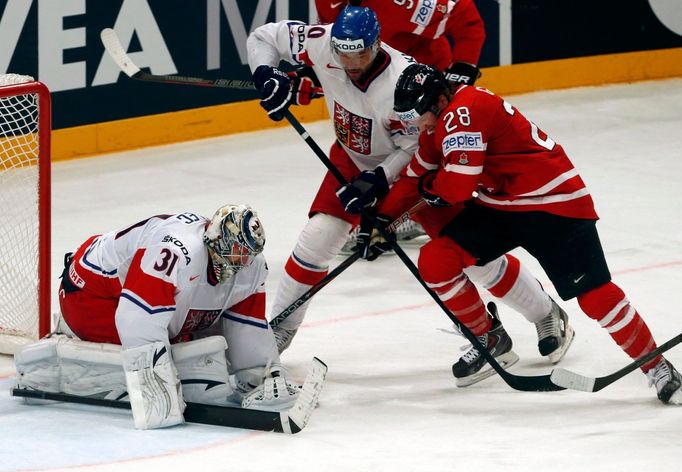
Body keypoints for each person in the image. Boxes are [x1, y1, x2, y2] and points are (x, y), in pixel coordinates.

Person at [246, 5, 574, 383]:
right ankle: (282, 329)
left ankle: (545, 313)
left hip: (412, 172)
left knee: (469, 255)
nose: (352, 64)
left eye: (361, 54)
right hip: (353, 159)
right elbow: (263, 38)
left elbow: (420, 147)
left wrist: (381, 181)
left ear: (376, 43)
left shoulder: (401, 79)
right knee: (316, 239)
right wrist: (267, 72)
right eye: (344, 54)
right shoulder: (322, 42)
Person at [363, 63, 681, 403]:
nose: (419, 124)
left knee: (595, 296)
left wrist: (428, 188)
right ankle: (488, 338)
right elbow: (416, 176)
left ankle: (656, 365)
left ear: (440, 99)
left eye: (421, 114)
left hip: (555, 204)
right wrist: (383, 218)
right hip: (502, 206)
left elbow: (454, 188)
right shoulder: (439, 121)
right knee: (437, 259)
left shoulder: (463, 112)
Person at [14, 204, 304, 429]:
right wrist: (154, 388)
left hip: (134, 295)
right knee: (184, 357)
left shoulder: (250, 267)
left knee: (206, 348)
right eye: (235, 250)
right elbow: (136, 318)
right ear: (215, 236)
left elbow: (246, 325)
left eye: (247, 254)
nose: (240, 261)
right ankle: (73, 354)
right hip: (89, 293)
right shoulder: (175, 249)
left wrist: (258, 374)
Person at [315, 0, 486, 252]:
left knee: (424, 155)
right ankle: (378, 216)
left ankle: (431, 216)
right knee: (361, 144)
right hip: (371, 91)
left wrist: (460, 71)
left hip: (419, 91)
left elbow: (466, 19)